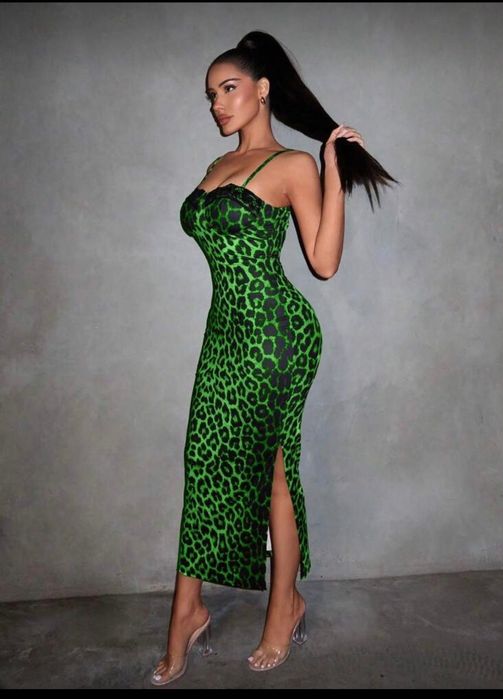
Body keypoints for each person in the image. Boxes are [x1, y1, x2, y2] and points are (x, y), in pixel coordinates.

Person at [151, 30, 398, 685]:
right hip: (223, 334)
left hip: (275, 334)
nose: (217, 103)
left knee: (273, 474)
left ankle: (283, 606)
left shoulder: (290, 166)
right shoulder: (215, 168)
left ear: (261, 90)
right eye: (210, 94)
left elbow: (323, 262)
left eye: (228, 88)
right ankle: (188, 610)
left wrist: (331, 172)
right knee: (204, 458)